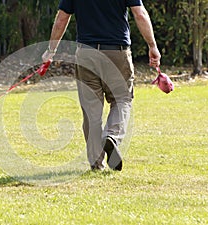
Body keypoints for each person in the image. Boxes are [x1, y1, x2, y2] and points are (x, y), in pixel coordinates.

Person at [42, 0, 161, 171]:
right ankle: (112, 136)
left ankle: (97, 164)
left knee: (92, 109)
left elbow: (62, 18)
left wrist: (51, 50)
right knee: (122, 99)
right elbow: (140, 14)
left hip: (86, 53)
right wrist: (152, 46)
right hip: (117, 52)